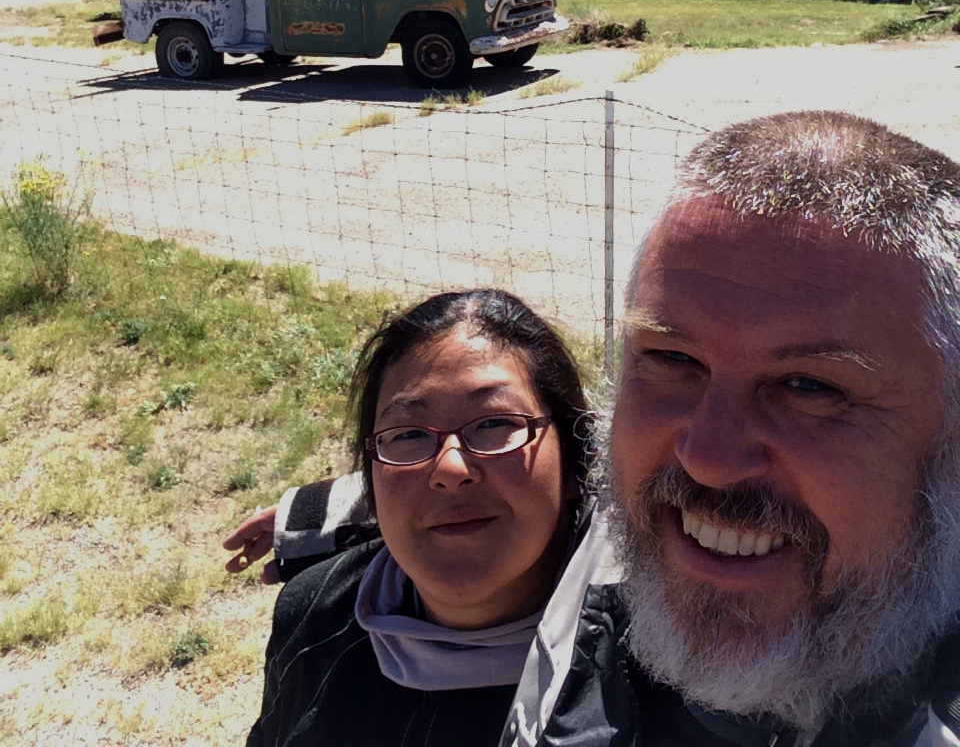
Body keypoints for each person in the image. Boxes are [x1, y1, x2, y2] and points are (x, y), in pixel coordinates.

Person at [230, 110, 960, 745]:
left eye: (810, 386)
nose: (705, 458)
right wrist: (321, 513)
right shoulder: (623, 568)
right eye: (672, 358)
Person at [243, 288, 590, 747]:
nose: (449, 469)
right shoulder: (315, 616)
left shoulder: (657, 676)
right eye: (407, 434)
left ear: (573, 459)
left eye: (494, 423)